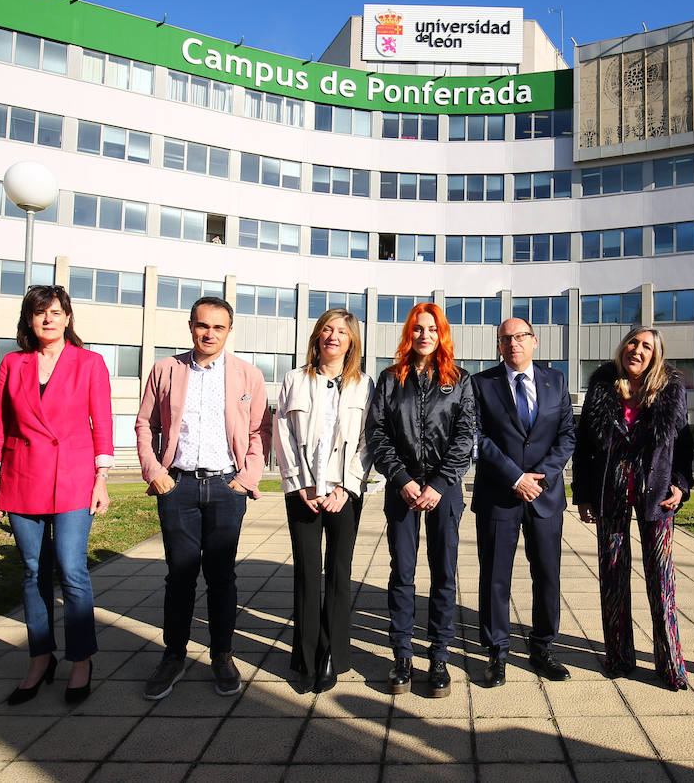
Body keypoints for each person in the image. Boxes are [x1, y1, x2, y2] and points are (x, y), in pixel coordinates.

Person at [135, 296, 271, 700]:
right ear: (190, 326)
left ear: (230, 330)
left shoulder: (248, 375)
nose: (208, 333)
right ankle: (173, 655)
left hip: (227, 487)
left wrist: (247, 479)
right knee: (179, 575)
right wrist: (155, 472)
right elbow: (145, 424)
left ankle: (222, 655)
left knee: (221, 576)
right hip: (177, 486)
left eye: (218, 327)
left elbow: (258, 432)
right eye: (202, 325)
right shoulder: (166, 369)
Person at [0, 285, 114, 705]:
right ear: (28, 319)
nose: (48, 320)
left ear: (67, 318)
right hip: (22, 477)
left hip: (74, 478)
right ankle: (40, 657)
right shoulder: (13, 363)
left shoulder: (89, 362)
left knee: (72, 571)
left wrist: (101, 479)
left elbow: (103, 424)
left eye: (56, 312)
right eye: (40, 313)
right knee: (31, 572)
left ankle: (81, 659)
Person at [572, 326, 693, 690]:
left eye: (645, 346)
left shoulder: (671, 387)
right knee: (612, 574)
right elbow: (584, 446)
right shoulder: (602, 385)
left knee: (661, 579)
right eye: (632, 343)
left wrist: (681, 485)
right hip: (611, 490)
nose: (636, 350)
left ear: (656, 355)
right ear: (622, 347)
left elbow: (684, 443)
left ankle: (669, 663)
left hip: (655, 491)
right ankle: (619, 657)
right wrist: (583, 494)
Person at [366, 302, 475, 697]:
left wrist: (440, 483)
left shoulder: (460, 380)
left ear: (441, 333)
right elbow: (377, 434)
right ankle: (402, 654)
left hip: (443, 492)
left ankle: (440, 655)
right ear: (408, 334)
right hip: (403, 491)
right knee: (403, 572)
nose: (424, 335)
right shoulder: (391, 378)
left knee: (444, 572)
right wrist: (402, 479)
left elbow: (465, 437)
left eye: (431, 328)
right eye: (417, 329)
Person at [472, 318, 576, 687]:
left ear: (535, 341)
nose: (513, 343)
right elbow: (478, 437)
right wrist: (515, 477)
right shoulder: (481, 384)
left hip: (545, 496)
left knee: (547, 575)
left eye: (520, 337)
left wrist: (540, 476)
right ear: (498, 346)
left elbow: (567, 436)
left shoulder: (556, 381)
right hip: (498, 495)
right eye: (505, 339)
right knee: (495, 577)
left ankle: (543, 647)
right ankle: (497, 651)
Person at [275, 308, 374, 693]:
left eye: (342, 332)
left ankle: (333, 655)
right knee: (305, 572)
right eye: (327, 330)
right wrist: (297, 483)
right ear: (317, 336)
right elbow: (281, 434)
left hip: (343, 493)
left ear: (352, 341)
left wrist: (347, 487)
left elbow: (369, 441)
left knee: (338, 573)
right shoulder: (294, 380)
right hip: (303, 491)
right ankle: (305, 656)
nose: (333, 336)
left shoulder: (364, 385)